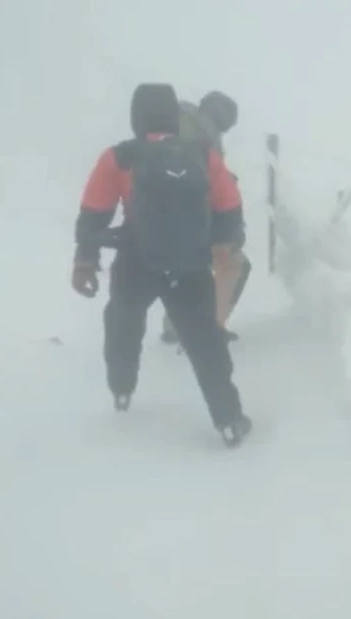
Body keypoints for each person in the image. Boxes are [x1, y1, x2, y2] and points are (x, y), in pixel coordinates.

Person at [70, 82, 253, 447]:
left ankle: (122, 389)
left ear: (136, 117)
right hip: (190, 266)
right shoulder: (203, 154)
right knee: (206, 343)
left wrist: (85, 260)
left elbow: (94, 213)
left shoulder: (119, 157)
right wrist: (220, 246)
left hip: (136, 261)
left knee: (123, 320)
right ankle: (229, 420)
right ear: (173, 114)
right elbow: (229, 211)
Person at [161, 90, 253, 345]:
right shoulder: (204, 137)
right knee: (234, 264)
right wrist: (230, 230)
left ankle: (175, 327)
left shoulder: (173, 124)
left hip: (157, 221)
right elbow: (211, 188)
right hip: (192, 222)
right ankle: (208, 328)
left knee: (187, 269)